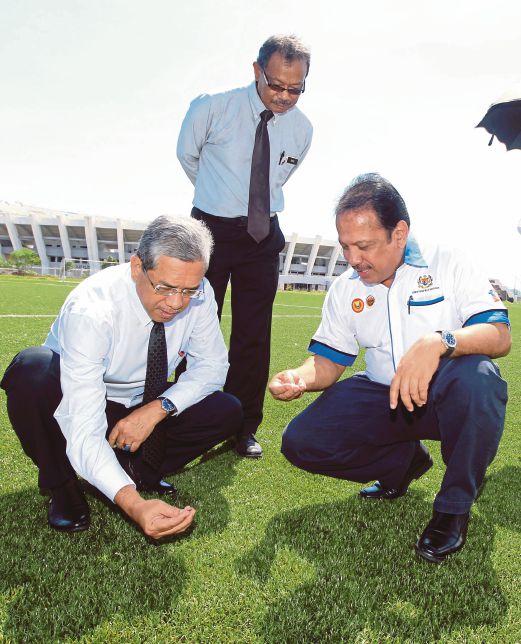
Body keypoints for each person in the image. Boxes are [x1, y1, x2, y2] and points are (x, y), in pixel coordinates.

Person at [269, 173, 511, 563]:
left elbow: (499, 335)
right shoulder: (347, 286)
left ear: (399, 233)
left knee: (479, 379)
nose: (352, 259)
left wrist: (440, 342)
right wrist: (299, 376)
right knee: (301, 441)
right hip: (384, 395)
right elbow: (329, 361)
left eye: (363, 246)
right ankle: (404, 463)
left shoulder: (448, 261)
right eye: (345, 246)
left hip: (449, 393)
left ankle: (452, 508)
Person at [1, 216, 243, 539]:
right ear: (136, 267)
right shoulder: (93, 309)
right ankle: (63, 484)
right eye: (165, 288)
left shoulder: (200, 295)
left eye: (188, 290)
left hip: (144, 401)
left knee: (228, 410)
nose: (176, 303)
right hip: (84, 398)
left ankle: (132, 468)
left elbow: (213, 366)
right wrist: (134, 505)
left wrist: (157, 409)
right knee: (30, 372)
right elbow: (84, 426)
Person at [176, 34, 313, 458]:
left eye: (295, 88)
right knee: (195, 327)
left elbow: (276, 181)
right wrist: (221, 197)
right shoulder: (211, 108)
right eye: (276, 84)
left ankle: (242, 425)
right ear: (256, 71)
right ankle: (185, 415)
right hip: (210, 231)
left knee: (254, 335)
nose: (284, 96)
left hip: (263, 235)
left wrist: (251, 209)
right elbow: (188, 159)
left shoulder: (303, 129)